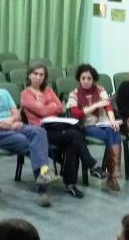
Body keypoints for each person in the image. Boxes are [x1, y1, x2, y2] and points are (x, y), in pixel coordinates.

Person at [0, 62, 54, 207]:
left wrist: (11, 122)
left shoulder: (4, 92)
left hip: (13, 126)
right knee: (31, 142)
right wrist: (3, 125)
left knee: (39, 132)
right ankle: (43, 187)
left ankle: (43, 175)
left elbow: (17, 115)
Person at [20, 62, 94, 198]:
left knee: (73, 140)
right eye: (35, 74)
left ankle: (72, 183)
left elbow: (60, 107)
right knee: (75, 136)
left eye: (41, 75)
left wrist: (46, 107)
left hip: (56, 126)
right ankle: (86, 170)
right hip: (40, 132)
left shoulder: (48, 90)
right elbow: (42, 111)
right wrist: (50, 106)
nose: (38, 77)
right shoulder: (25, 94)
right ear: (29, 75)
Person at [67, 63, 122, 191]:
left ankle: (112, 173)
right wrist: (96, 106)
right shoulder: (74, 93)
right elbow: (76, 113)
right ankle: (113, 174)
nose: (86, 81)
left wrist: (112, 120)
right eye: (83, 78)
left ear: (93, 79)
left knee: (114, 130)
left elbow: (107, 105)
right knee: (112, 136)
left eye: (89, 78)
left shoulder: (100, 89)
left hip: (103, 122)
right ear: (79, 79)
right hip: (87, 125)